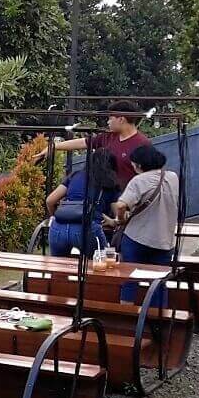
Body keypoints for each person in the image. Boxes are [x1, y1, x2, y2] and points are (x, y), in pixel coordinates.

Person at [109, 145, 179, 305]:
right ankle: (156, 320)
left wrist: (120, 219)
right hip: (164, 240)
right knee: (159, 282)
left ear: (139, 165)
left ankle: (127, 314)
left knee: (130, 277)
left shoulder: (139, 180)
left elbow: (121, 205)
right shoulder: (173, 177)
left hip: (136, 238)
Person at [36, 100, 151, 188]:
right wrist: (53, 147)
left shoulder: (142, 144)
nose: (108, 122)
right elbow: (83, 142)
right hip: (105, 200)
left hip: (130, 202)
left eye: (110, 118)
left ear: (121, 119)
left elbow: (149, 177)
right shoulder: (108, 137)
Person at [46, 148, 122, 258]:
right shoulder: (110, 183)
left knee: (58, 269)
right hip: (87, 228)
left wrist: (57, 216)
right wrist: (113, 222)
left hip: (59, 227)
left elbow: (50, 200)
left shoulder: (75, 175)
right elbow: (118, 213)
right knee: (99, 266)